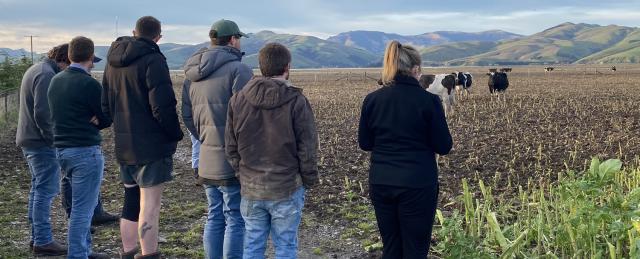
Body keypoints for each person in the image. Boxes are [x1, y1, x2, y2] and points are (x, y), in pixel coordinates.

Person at [358, 40, 452, 258]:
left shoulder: (372, 100)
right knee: (415, 249)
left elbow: (365, 143)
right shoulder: (429, 101)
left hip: (381, 182)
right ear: (416, 70)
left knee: (391, 246)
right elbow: (444, 146)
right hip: (418, 183)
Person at [226, 42, 319, 259]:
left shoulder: (237, 100)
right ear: (287, 67)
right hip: (286, 187)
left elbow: (231, 147)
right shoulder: (297, 100)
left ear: (261, 67)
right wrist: (309, 179)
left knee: (253, 245)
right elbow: (308, 147)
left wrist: (243, 175)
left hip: (251, 188)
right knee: (286, 245)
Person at [102, 16, 183, 259]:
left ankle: (128, 253)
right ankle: (149, 254)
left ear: (134, 32)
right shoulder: (154, 59)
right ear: (158, 36)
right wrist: (174, 134)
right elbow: (163, 106)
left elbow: (105, 104)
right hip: (151, 148)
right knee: (150, 205)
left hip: (124, 145)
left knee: (130, 200)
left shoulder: (111, 61)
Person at [182, 19, 252, 259]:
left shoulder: (191, 74)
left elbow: (187, 115)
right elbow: (245, 117)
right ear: (233, 40)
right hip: (231, 160)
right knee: (235, 217)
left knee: (214, 214)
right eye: (239, 38)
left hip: (205, 156)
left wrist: (204, 136)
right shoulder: (239, 70)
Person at [48, 36, 111, 259]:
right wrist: (99, 119)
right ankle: (78, 254)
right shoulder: (89, 84)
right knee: (83, 211)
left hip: (61, 150)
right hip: (85, 149)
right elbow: (106, 116)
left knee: (76, 208)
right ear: (90, 56)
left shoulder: (56, 80)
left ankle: (83, 249)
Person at [16, 43, 70, 257]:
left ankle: (36, 236)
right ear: (64, 60)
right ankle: (43, 240)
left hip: (30, 140)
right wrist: (54, 141)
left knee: (37, 188)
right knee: (45, 191)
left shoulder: (37, 68)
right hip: (40, 143)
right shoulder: (47, 74)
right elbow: (43, 113)